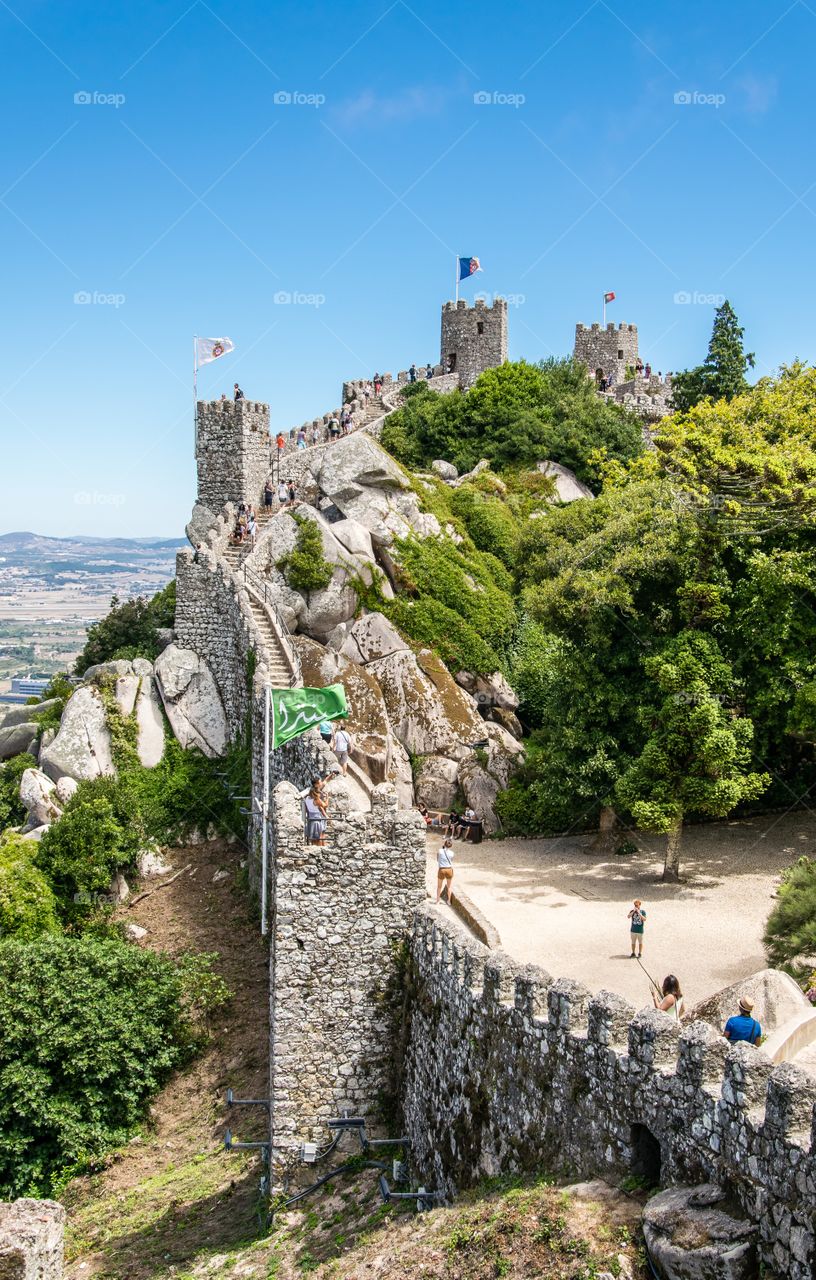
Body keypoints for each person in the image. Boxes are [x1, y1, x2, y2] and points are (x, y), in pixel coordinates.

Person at [436, 837, 455, 904]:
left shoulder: (440, 851)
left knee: (439, 886)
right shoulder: (452, 853)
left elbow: (438, 859)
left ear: (445, 844)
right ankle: (449, 901)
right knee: (449, 886)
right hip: (449, 869)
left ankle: (437, 901)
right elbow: (451, 861)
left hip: (442, 869)